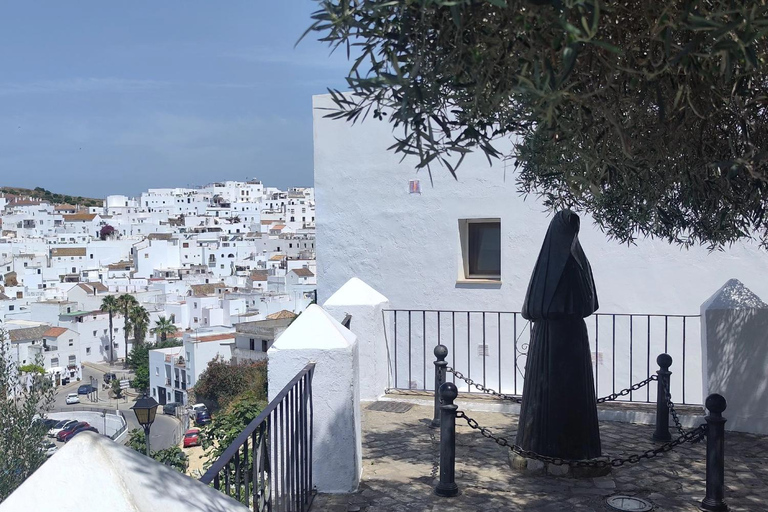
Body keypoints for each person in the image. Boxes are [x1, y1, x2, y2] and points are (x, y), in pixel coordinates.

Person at [515, 210, 601, 459]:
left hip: (559, 338)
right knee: (553, 396)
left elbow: (533, 307)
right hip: (558, 338)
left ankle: (559, 446)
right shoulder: (576, 262)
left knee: (563, 396)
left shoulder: (567, 262)